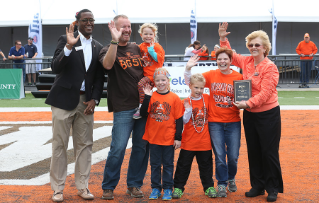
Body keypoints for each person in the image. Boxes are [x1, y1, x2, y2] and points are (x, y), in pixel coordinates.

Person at [45, 9, 105, 202]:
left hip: (86, 103)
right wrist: (69, 48)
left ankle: (82, 186)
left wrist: (94, 99)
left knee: (85, 146)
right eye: (85, 20)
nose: (89, 23)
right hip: (63, 100)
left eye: (92, 20)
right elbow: (56, 67)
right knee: (59, 145)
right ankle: (58, 189)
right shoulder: (66, 39)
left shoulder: (98, 46)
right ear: (77, 22)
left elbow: (98, 77)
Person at [219, 22, 283, 202]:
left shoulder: (270, 67)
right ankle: (258, 185)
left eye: (257, 45)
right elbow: (231, 55)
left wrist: (247, 103)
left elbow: (265, 93)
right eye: (251, 45)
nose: (253, 48)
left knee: (269, 152)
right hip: (250, 114)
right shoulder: (246, 60)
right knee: (254, 150)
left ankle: (272, 187)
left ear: (265, 48)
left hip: (268, 114)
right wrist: (223, 38)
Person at [99, 15, 149, 200]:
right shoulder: (108, 49)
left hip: (143, 107)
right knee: (118, 148)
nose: (127, 30)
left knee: (141, 147)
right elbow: (107, 64)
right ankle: (109, 186)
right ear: (115, 29)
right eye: (122, 28)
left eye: (128, 27)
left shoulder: (137, 48)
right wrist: (114, 40)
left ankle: (134, 184)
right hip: (123, 107)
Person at [184, 50, 243, 198]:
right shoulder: (211, 75)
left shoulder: (239, 77)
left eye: (225, 59)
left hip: (233, 122)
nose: (222, 61)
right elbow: (191, 82)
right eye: (219, 59)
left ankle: (231, 177)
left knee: (234, 156)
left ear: (231, 60)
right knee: (220, 155)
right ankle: (222, 184)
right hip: (215, 122)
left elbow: (245, 94)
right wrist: (188, 68)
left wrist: (244, 102)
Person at [140, 68, 183, 201]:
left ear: (168, 81)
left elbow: (179, 119)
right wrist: (147, 96)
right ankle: (156, 188)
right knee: (155, 165)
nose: (160, 83)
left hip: (168, 138)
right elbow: (143, 113)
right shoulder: (151, 96)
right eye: (157, 80)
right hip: (154, 138)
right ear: (154, 82)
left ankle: (168, 188)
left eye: (163, 80)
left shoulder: (174, 98)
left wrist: (178, 138)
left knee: (168, 164)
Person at [172, 73, 217, 199]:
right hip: (188, 142)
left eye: (201, 88)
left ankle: (208, 187)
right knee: (183, 166)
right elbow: (184, 121)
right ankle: (178, 187)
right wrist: (188, 110)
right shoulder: (185, 102)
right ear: (190, 86)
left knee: (206, 166)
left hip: (204, 142)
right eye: (196, 87)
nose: (199, 91)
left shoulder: (207, 98)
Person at [133, 23, 165, 119]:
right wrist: (132, 46)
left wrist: (151, 51)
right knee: (146, 91)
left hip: (155, 75)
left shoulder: (157, 46)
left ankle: (141, 107)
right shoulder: (141, 46)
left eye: (150, 34)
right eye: (145, 34)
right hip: (145, 74)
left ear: (154, 35)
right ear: (141, 35)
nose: (148, 36)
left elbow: (159, 60)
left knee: (141, 84)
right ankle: (148, 108)